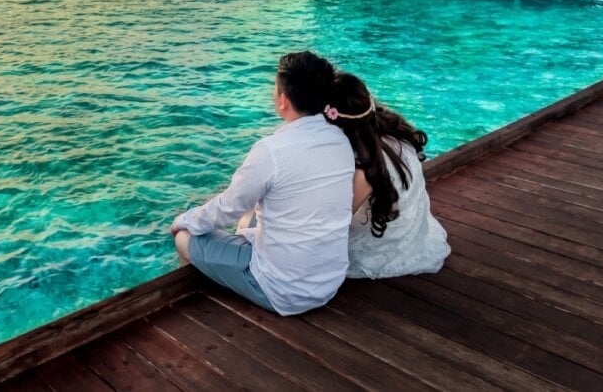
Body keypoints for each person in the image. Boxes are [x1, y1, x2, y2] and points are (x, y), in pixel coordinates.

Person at [170, 51, 356, 316]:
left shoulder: (271, 150)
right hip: (328, 281)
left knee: (185, 237)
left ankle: (191, 309)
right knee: (252, 212)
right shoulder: (340, 140)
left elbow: (226, 208)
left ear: (283, 100)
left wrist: (184, 219)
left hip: (283, 291)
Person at [327, 70, 451, 279]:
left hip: (380, 251)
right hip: (410, 232)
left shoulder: (365, 166)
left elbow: (338, 223)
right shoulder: (395, 136)